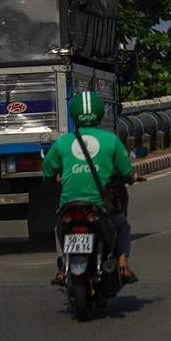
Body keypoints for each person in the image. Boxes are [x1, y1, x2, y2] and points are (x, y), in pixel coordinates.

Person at [42, 90, 137, 284]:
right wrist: (132, 177)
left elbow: (47, 172)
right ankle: (123, 265)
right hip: (101, 206)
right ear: (101, 114)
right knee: (121, 225)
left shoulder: (63, 142)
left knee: (60, 227)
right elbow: (127, 172)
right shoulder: (111, 140)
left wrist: (54, 178)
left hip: (70, 205)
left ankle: (62, 267)